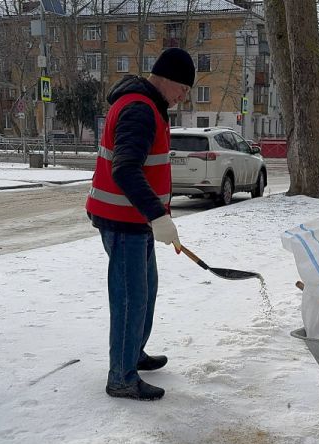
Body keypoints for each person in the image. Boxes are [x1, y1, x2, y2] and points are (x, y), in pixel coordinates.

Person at [85, 48, 195, 401]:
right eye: (183, 88)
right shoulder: (140, 109)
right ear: (167, 79)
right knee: (131, 299)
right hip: (123, 222)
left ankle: (132, 354)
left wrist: (155, 216)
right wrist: (157, 215)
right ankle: (121, 377)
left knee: (145, 292)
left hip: (135, 221)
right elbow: (125, 169)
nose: (183, 97)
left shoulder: (149, 105)